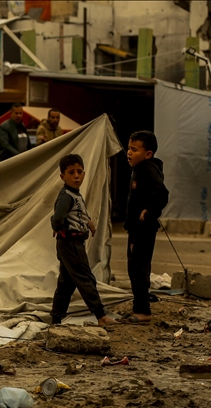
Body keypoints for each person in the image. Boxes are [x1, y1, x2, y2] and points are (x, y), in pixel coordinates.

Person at [50, 154, 118, 327]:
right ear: (62, 176)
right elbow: (58, 217)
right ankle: (100, 315)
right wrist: (57, 226)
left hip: (73, 243)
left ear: (84, 173)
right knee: (85, 278)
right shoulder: (66, 196)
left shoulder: (75, 195)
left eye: (79, 172)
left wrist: (88, 222)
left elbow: (78, 213)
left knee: (66, 282)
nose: (76, 176)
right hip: (70, 244)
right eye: (71, 172)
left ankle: (56, 318)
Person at [123, 131, 169, 323]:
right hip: (136, 228)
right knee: (135, 268)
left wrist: (149, 212)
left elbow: (162, 193)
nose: (129, 152)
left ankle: (142, 311)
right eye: (129, 148)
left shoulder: (147, 169)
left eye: (134, 150)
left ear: (148, 154)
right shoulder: (140, 169)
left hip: (142, 229)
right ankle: (139, 308)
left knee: (138, 269)